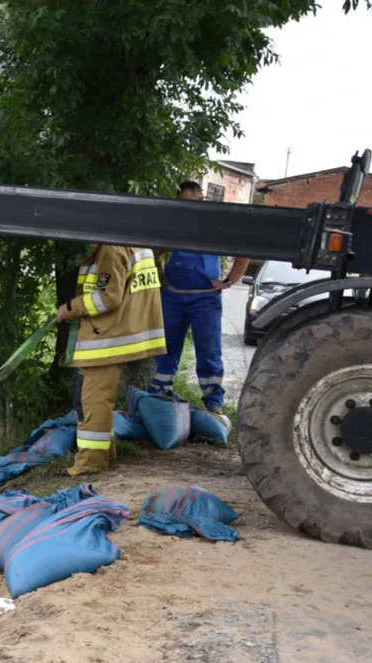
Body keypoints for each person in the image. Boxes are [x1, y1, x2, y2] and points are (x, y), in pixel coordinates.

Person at [56, 244, 165, 476]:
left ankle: (90, 462)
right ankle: (106, 453)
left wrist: (70, 308)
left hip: (106, 338)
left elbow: (108, 297)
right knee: (96, 400)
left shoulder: (111, 249)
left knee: (91, 401)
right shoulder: (133, 241)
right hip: (120, 333)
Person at [149, 181, 250, 415]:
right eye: (180, 203)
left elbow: (244, 249)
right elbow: (154, 250)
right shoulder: (175, 225)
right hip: (172, 297)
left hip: (204, 299)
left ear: (201, 200)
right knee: (165, 349)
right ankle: (158, 398)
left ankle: (213, 404)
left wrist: (228, 282)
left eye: (188, 202)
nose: (184, 207)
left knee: (208, 351)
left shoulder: (214, 227)